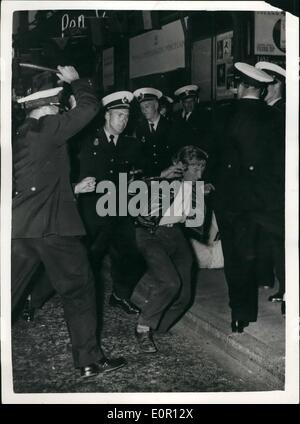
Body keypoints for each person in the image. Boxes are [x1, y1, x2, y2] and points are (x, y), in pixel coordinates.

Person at [12, 65, 126, 378]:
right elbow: (90, 107)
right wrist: (79, 81)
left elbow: (38, 180)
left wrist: (73, 188)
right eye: (59, 106)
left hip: (22, 228)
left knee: (7, 292)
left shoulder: (23, 133)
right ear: (50, 105)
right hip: (53, 229)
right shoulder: (49, 127)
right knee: (80, 288)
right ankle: (89, 360)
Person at [212, 62, 283, 333]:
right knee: (269, 248)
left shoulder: (222, 115)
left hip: (232, 200)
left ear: (240, 87)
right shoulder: (275, 117)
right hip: (266, 199)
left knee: (237, 257)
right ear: (262, 91)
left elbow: (213, 158)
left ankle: (241, 315)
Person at [132, 145, 210, 353]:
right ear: (181, 167)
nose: (200, 173)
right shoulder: (163, 182)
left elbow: (194, 222)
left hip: (174, 234)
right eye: (195, 168)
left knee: (184, 296)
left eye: (202, 168)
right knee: (170, 282)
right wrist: (161, 177)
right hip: (150, 234)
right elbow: (132, 187)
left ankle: (158, 325)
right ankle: (143, 328)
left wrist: (201, 196)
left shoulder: (195, 188)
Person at [77, 91, 144, 315]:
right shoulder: (88, 141)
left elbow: (135, 174)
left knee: (132, 256)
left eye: (126, 117)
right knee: (87, 260)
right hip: (94, 213)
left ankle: (120, 295)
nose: (123, 121)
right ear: (106, 116)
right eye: (118, 116)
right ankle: (78, 303)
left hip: (120, 211)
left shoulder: (130, 145)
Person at [255, 61, 286, 306]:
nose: (262, 89)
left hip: (278, 187)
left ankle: (287, 288)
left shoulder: (281, 112)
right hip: (268, 187)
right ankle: (272, 278)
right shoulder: (268, 111)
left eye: (266, 84)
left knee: (281, 239)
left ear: (276, 84)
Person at [133, 87, 176, 176]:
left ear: (156, 105)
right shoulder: (139, 129)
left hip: (169, 175)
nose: (144, 110)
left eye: (147, 106)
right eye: (141, 107)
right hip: (149, 176)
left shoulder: (172, 126)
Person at [173, 84, 212, 153]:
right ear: (181, 103)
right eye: (186, 102)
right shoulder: (176, 117)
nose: (189, 104)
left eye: (191, 101)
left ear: (196, 101)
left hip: (196, 154)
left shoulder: (203, 116)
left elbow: (206, 139)